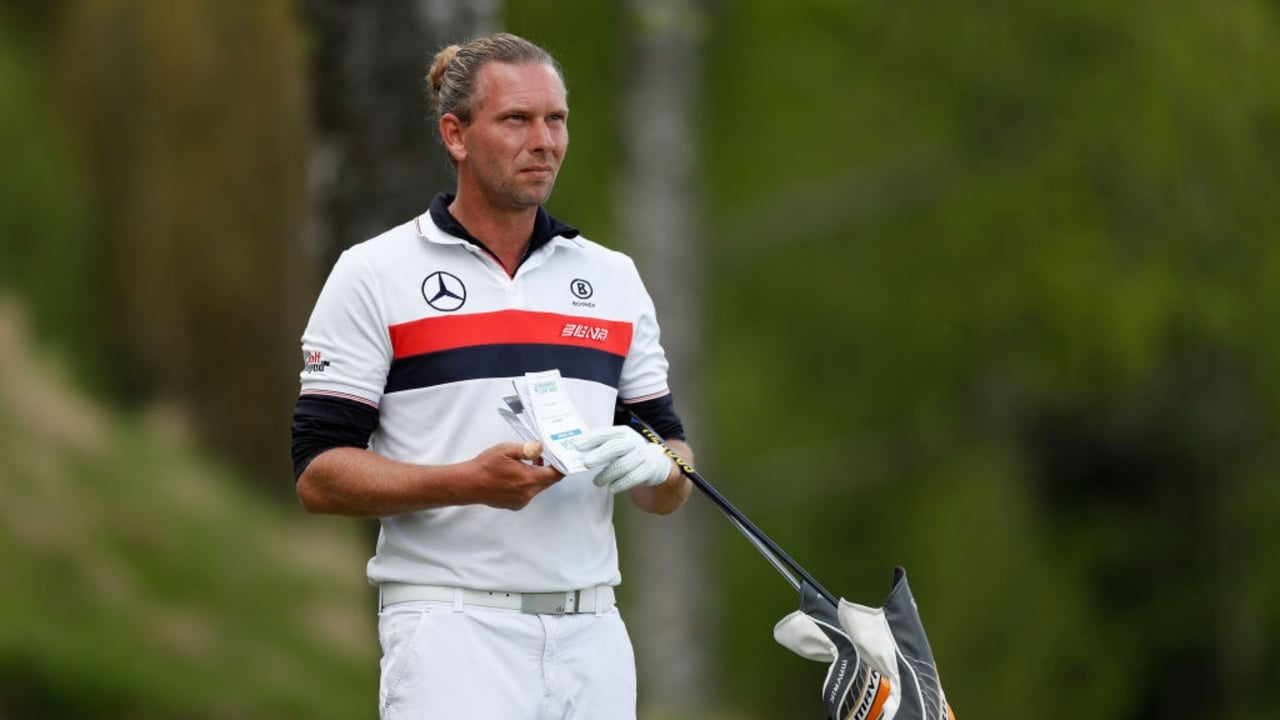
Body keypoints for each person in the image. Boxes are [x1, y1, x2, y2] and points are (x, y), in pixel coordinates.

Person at [290, 32, 694, 719]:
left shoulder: (611, 277)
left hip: (594, 633)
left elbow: (674, 471)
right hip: (453, 630)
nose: (544, 141)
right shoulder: (374, 273)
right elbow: (318, 474)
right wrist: (465, 483)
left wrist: (659, 468)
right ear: (456, 135)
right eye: (516, 120)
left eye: (556, 119)